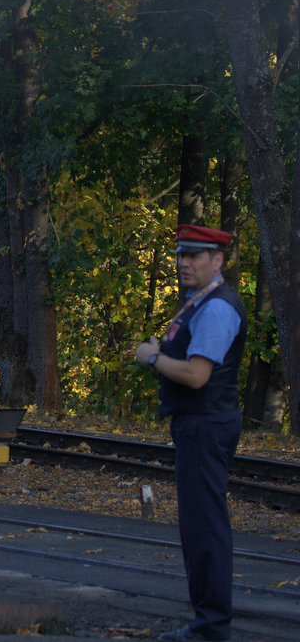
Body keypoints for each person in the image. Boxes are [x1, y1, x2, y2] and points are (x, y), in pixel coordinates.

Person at [136, 224, 247, 641]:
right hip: (198, 424)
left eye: (195, 256)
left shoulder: (217, 307)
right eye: (181, 255)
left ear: (217, 261)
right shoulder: (198, 302)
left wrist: (152, 358)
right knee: (199, 524)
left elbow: (197, 375)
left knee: (205, 527)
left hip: (206, 423)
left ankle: (211, 627)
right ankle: (207, 621)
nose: (184, 263)